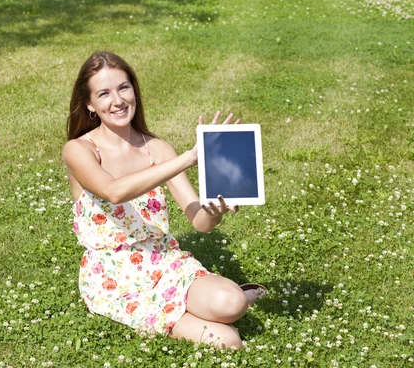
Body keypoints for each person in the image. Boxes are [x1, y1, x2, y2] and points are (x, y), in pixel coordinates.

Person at [62, 51, 266, 349]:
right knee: (228, 341)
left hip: (165, 261)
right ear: (90, 104)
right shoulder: (79, 149)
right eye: (104, 93)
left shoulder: (156, 149)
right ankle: (186, 314)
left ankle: (220, 300)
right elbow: (115, 192)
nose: (117, 101)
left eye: (123, 88)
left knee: (233, 303)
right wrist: (188, 158)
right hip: (114, 278)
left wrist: (215, 211)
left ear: (134, 90)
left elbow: (200, 222)